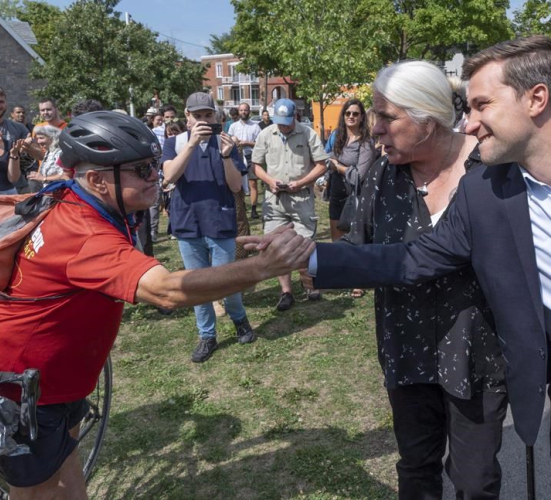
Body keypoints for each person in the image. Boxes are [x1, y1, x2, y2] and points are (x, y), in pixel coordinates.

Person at [265, 36, 551, 498]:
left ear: (535, 100)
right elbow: (413, 258)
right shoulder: (485, 194)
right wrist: (310, 254)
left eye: (480, 106)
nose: (468, 124)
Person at [0, 111, 312, 500]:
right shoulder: (84, 234)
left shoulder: (80, 200)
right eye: (142, 168)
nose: (156, 174)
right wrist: (263, 268)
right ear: (97, 179)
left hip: (56, 382)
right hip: (29, 390)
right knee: (37, 492)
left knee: (66, 476)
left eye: (153, 164)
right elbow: (166, 291)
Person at [343, 61, 508, 498]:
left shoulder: (492, 169)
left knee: (475, 481)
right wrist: (305, 256)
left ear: (428, 119)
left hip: (479, 354)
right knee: (416, 470)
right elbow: (359, 250)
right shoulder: (382, 176)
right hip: (407, 351)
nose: (375, 129)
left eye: (386, 117)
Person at [162, 92, 257, 362]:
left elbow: (237, 186)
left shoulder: (226, 143)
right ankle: (207, 335)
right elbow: (169, 176)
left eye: (208, 115)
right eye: (197, 116)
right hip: (188, 224)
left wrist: (227, 156)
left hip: (219, 221)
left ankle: (240, 320)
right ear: (187, 117)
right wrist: (191, 144)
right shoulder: (175, 143)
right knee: (197, 285)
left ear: (216, 116)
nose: (203, 120)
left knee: (227, 282)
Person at [252, 98, 329, 310]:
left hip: (301, 197)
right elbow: (256, 165)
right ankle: (286, 292)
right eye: (280, 121)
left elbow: (322, 165)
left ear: (295, 116)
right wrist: (269, 181)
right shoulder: (266, 134)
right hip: (274, 199)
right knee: (276, 245)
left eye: (287, 121)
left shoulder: (307, 134)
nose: (283, 125)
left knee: (305, 243)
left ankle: (310, 283)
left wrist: (301, 182)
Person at [326, 99, 377, 241]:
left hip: (355, 197)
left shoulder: (366, 143)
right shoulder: (339, 138)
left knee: (354, 243)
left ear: (361, 117)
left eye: (355, 113)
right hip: (336, 194)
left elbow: (358, 176)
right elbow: (329, 156)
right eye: (347, 113)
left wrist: (338, 167)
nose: (351, 116)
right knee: (336, 242)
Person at [228, 102, 262, 219]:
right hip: (237, 156)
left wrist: (247, 143)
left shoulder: (255, 126)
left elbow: (260, 144)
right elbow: (228, 142)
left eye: (245, 110)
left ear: (249, 111)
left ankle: (253, 209)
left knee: (253, 183)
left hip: (251, 156)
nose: (243, 112)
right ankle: (241, 207)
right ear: (238, 111)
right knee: (238, 183)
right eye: (241, 110)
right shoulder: (233, 126)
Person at [0, 88, 31, 195]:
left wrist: (17, 152)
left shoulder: (19, 128)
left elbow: (13, 178)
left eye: (1, 102)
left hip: (9, 192)